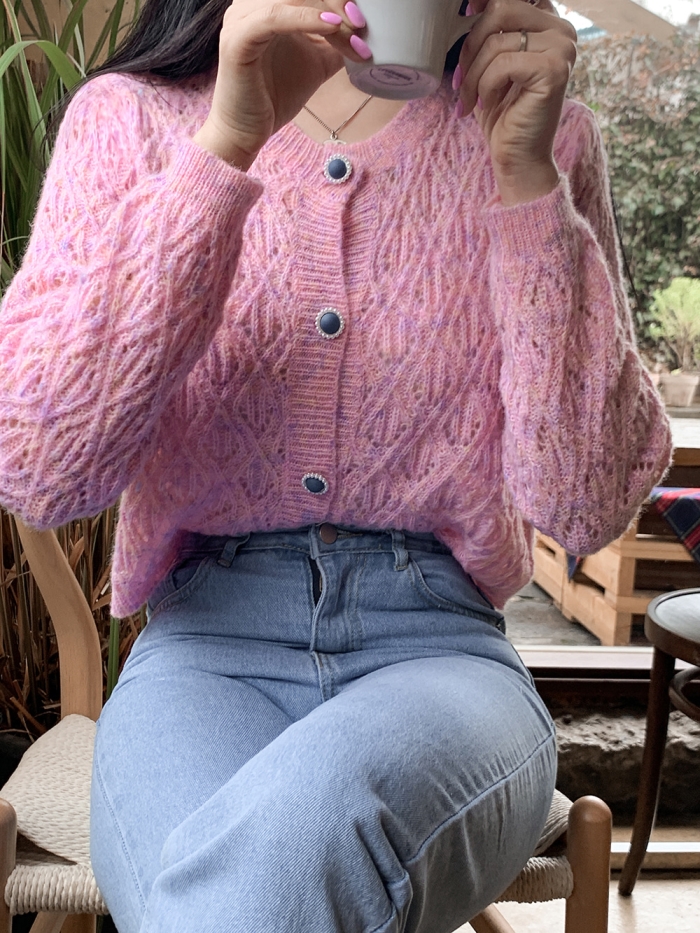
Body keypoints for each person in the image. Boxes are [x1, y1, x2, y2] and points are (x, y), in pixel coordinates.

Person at [0, 0, 672, 929]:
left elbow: (583, 503)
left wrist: (526, 180)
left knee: (275, 859)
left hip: (443, 657)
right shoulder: (133, 119)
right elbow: (38, 467)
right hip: (203, 653)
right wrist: (224, 147)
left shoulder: (535, 134)